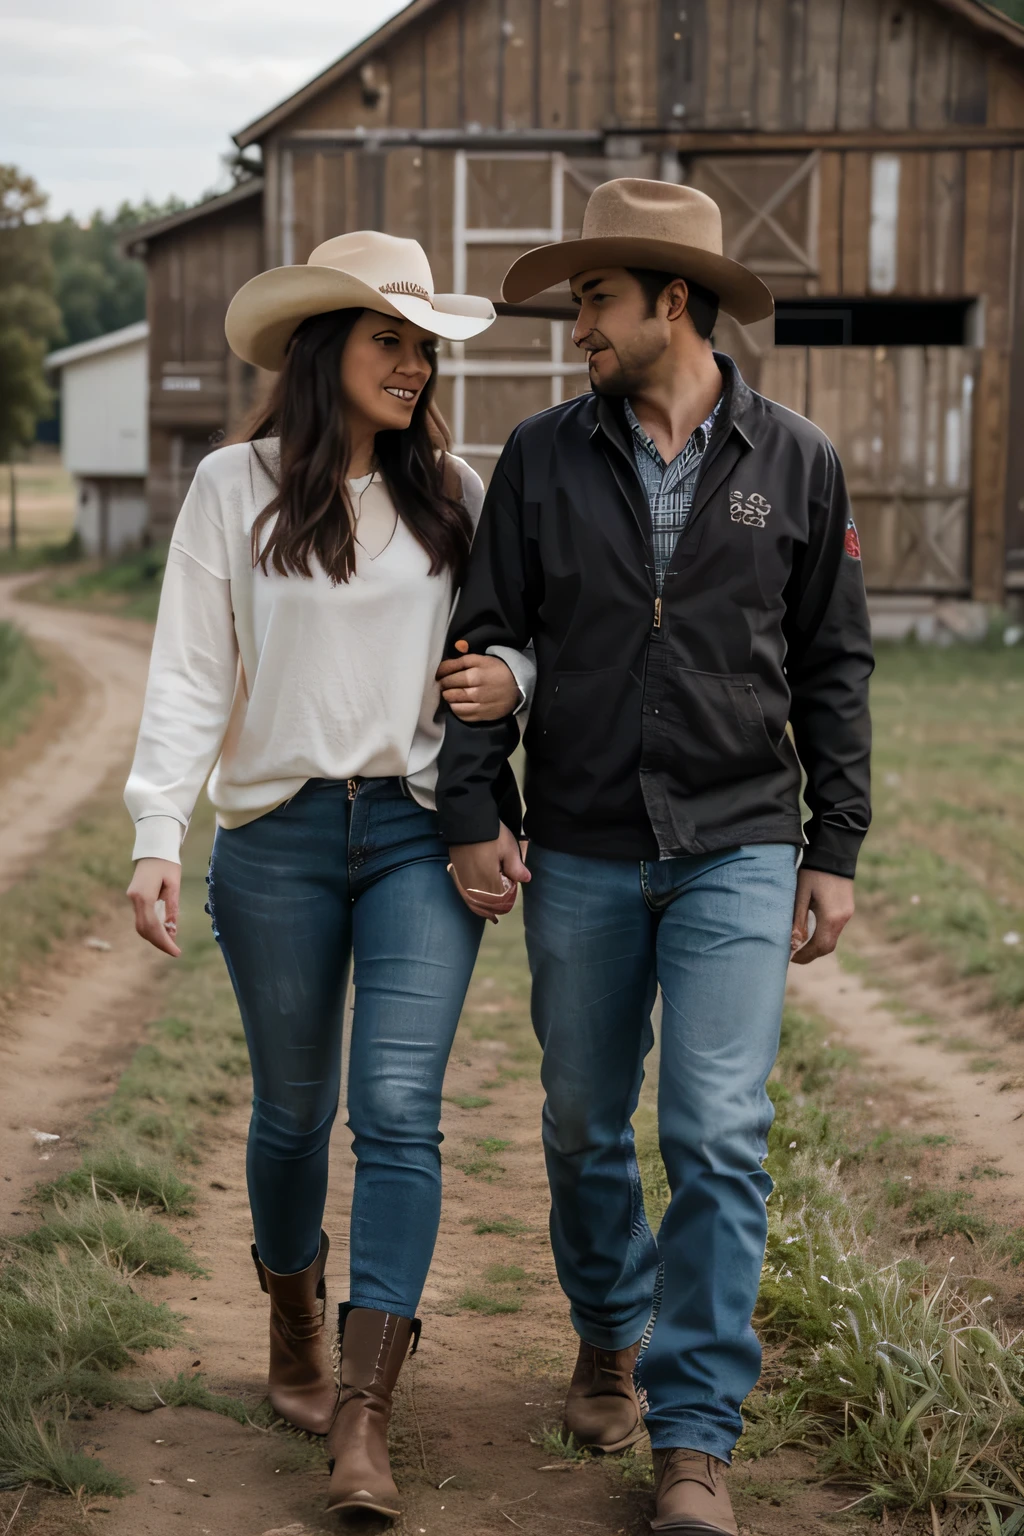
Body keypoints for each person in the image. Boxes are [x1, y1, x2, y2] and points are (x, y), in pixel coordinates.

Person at [436, 179, 873, 1536]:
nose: (578, 328)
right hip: (579, 837)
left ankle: (693, 1440)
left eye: (594, 302)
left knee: (717, 1131)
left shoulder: (795, 459)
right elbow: (482, 642)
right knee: (581, 1120)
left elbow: (833, 662)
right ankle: (609, 1326)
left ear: (668, 301)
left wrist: (835, 842)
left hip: (740, 837)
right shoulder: (541, 458)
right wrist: (473, 810)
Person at [124, 231, 533, 1523]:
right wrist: (156, 831)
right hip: (278, 841)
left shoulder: (458, 493)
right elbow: (191, 672)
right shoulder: (229, 490)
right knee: (293, 1115)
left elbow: (519, 641)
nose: (414, 366)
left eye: (424, 347)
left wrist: (512, 679)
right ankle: (293, 1312)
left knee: (398, 1111)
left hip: (417, 833)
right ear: (323, 351)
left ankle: (367, 1416)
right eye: (388, 341)